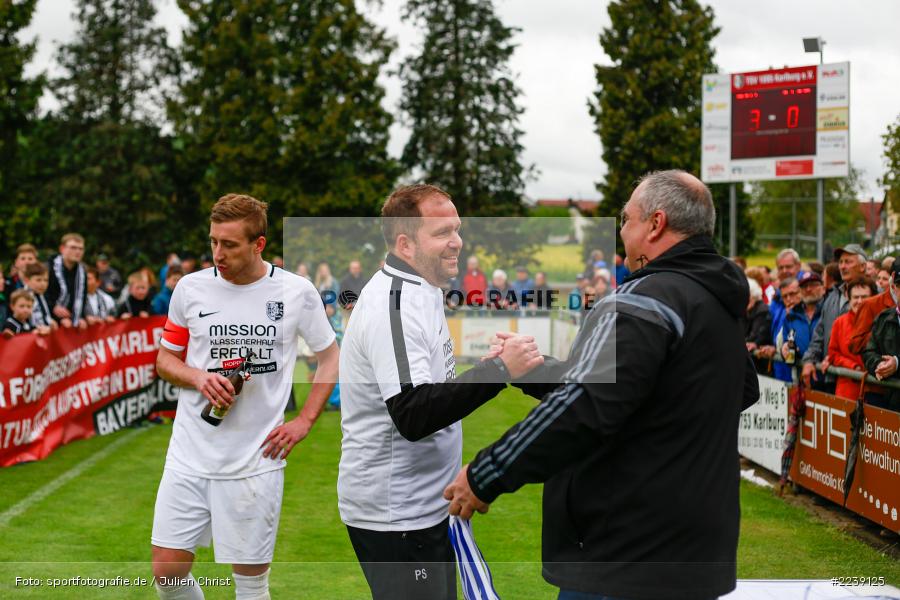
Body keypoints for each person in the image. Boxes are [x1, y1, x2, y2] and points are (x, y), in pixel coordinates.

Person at [443, 170, 759, 600]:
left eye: (626, 219)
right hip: (697, 551)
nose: (621, 231)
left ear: (656, 223)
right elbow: (665, 392)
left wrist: (485, 473)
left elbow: (586, 404)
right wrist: (534, 371)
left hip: (627, 552)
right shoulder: (716, 301)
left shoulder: (645, 300)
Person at [337, 184, 541, 600]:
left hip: (423, 506)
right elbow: (413, 413)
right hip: (398, 517)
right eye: (443, 232)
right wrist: (497, 371)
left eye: (457, 229)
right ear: (405, 243)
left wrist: (487, 368)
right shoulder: (393, 304)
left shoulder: (423, 287)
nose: (457, 241)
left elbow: (428, 387)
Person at [151, 193, 339, 600]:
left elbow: (329, 357)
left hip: (256, 459)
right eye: (213, 241)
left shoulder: (296, 292)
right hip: (189, 453)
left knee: (250, 584)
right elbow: (166, 359)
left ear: (259, 244)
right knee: (167, 573)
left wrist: (304, 419)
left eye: (230, 244)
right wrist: (199, 377)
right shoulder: (190, 288)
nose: (218, 253)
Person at [801, 244, 867, 391]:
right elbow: (819, 335)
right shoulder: (832, 296)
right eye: (841, 262)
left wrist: (840, 361)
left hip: (859, 382)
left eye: (848, 262)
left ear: (863, 266)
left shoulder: (874, 296)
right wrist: (809, 360)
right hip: (830, 377)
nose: (842, 267)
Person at [827, 276, 877, 400]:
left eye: (864, 297)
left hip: (876, 391)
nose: (859, 301)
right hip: (847, 391)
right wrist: (853, 366)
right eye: (855, 297)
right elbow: (833, 354)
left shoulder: (881, 322)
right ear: (848, 299)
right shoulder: (840, 322)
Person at [862, 264, 900, 412]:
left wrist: (896, 363)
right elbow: (869, 352)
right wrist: (879, 365)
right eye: (899, 285)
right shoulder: (884, 318)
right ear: (894, 288)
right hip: (890, 404)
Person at [780, 273, 825, 386]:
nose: (808, 289)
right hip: (802, 380)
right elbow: (790, 357)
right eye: (804, 286)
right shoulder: (791, 317)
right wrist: (785, 350)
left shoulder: (829, 310)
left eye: (813, 285)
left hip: (827, 379)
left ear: (823, 288)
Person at [46, 233, 88, 329]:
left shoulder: (82, 272)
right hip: (51, 323)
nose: (78, 252)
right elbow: (43, 295)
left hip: (71, 324)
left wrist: (81, 317)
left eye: (81, 249)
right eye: (73, 248)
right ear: (62, 249)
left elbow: (82, 298)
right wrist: (54, 308)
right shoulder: (49, 268)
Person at [744, 278, 772, 372]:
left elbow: (755, 335)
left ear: (752, 296)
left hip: (760, 361)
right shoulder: (749, 310)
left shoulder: (762, 310)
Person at [22, 262, 56, 331]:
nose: (43, 284)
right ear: (26, 280)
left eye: (46, 280)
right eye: (38, 280)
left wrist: (50, 321)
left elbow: (45, 314)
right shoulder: (23, 297)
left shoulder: (42, 295)